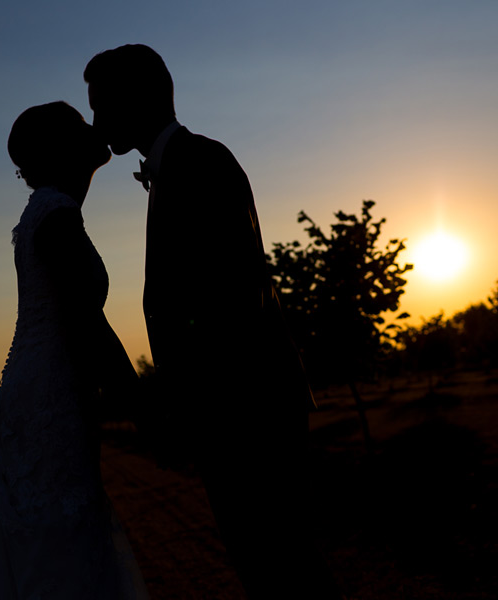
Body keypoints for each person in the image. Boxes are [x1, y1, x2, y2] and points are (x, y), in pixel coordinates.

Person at [84, 44, 340, 599]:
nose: (96, 121)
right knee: (270, 567)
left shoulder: (202, 162)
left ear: (138, 98)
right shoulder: (179, 167)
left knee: (282, 567)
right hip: (236, 406)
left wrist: (198, 402)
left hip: (248, 407)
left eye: (102, 106)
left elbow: (233, 296)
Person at [0, 102, 149, 600]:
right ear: (63, 149)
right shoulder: (55, 215)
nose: (94, 127)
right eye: (82, 124)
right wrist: (145, 410)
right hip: (46, 407)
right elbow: (86, 323)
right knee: (60, 548)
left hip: (46, 394)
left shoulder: (49, 211)